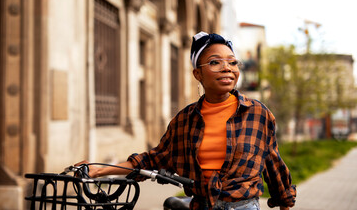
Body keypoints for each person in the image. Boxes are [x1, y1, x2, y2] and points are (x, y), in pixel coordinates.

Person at [77, 32, 296, 210]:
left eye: (232, 62)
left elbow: (273, 164)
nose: (227, 68)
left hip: (243, 207)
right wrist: (98, 169)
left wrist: (285, 203)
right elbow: (151, 160)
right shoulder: (184, 120)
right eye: (214, 62)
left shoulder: (257, 114)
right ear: (197, 74)